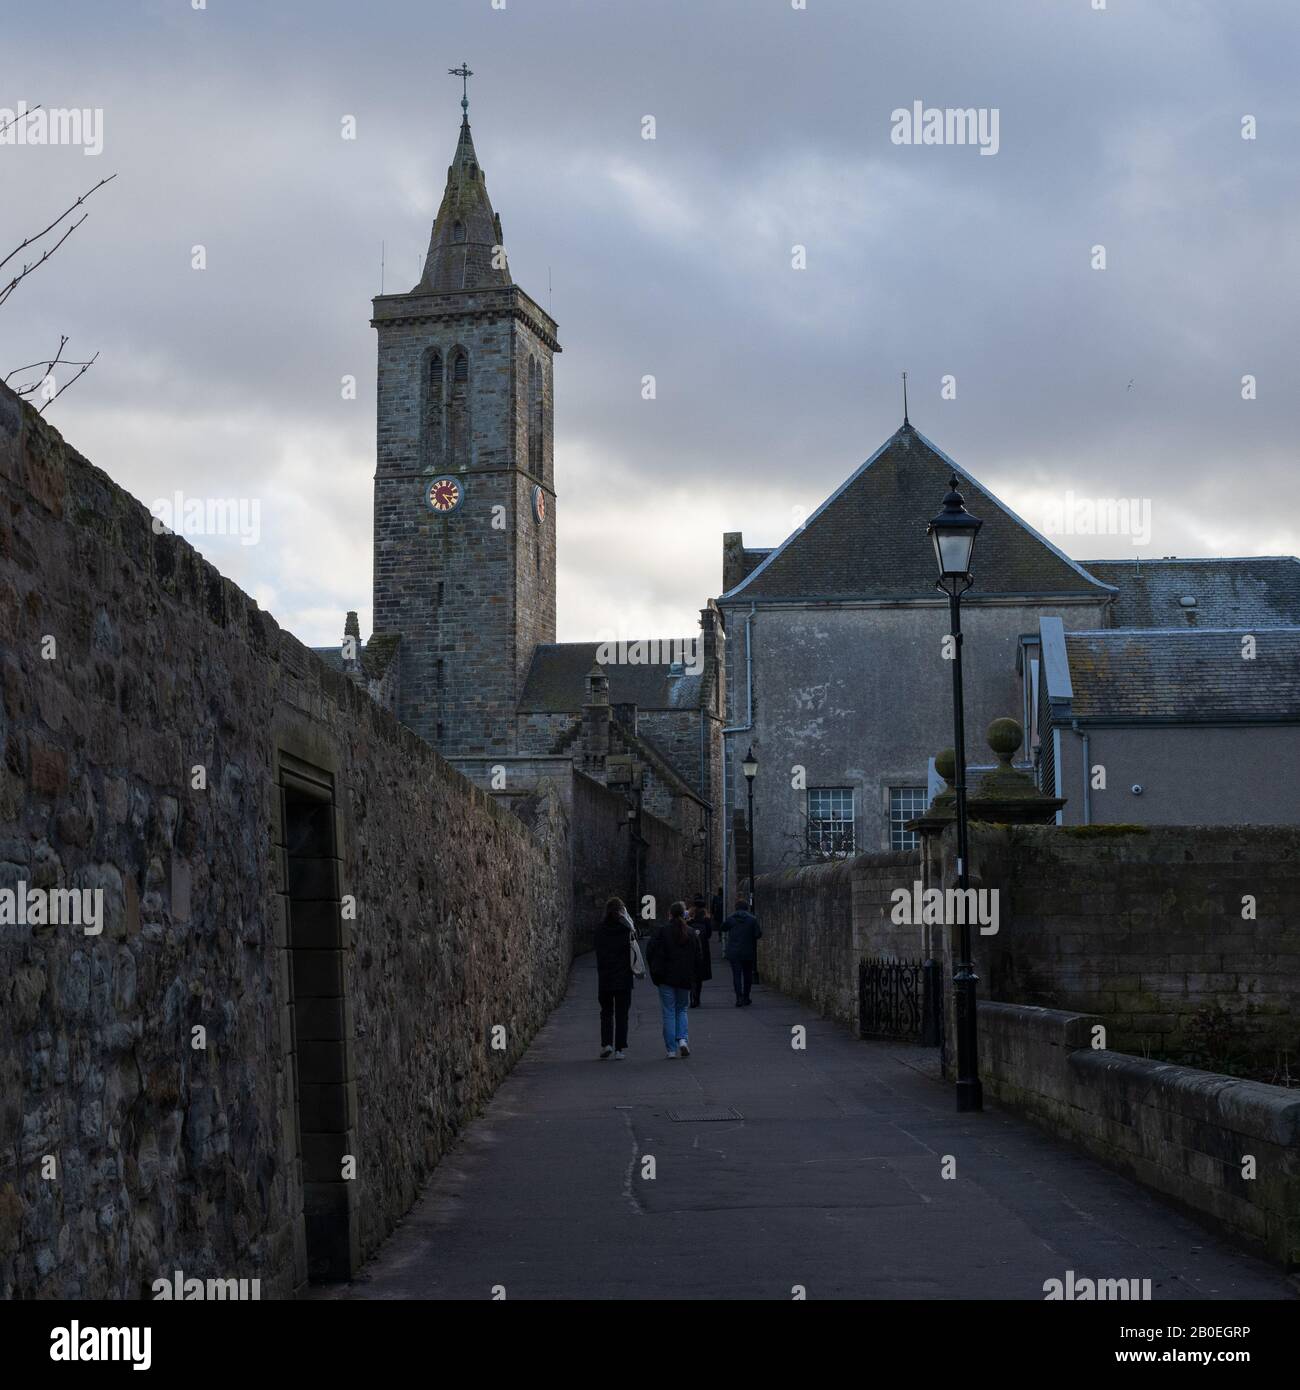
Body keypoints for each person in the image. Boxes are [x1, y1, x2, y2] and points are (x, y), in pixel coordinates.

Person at [646, 900, 701, 1059]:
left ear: (670, 914)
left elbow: (651, 952)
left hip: (665, 978)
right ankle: (682, 1040)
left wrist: (655, 972)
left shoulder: (662, 932)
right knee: (682, 1009)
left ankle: (671, 1049)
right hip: (684, 978)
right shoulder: (691, 932)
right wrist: (694, 976)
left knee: (669, 1012)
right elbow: (698, 956)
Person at [594, 896, 636, 1059]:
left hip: (605, 977)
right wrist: (627, 919)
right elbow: (636, 940)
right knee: (622, 1014)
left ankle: (607, 1044)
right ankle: (619, 1049)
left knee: (606, 1012)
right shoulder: (626, 930)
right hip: (624, 978)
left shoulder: (600, 929)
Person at [722, 898, 762, 1007]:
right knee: (747, 975)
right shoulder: (752, 919)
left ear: (736, 908)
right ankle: (746, 997)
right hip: (748, 951)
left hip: (734, 951)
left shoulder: (731, 918)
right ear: (746, 908)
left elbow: (723, 928)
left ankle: (738, 998)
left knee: (736, 975)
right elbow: (758, 934)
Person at [688, 895, 713, 1008]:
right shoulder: (706, 918)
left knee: (692, 974)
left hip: (690, 948)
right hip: (702, 948)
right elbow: (709, 934)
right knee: (699, 976)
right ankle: (697, 998)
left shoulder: (690, 917)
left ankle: (692, 997)